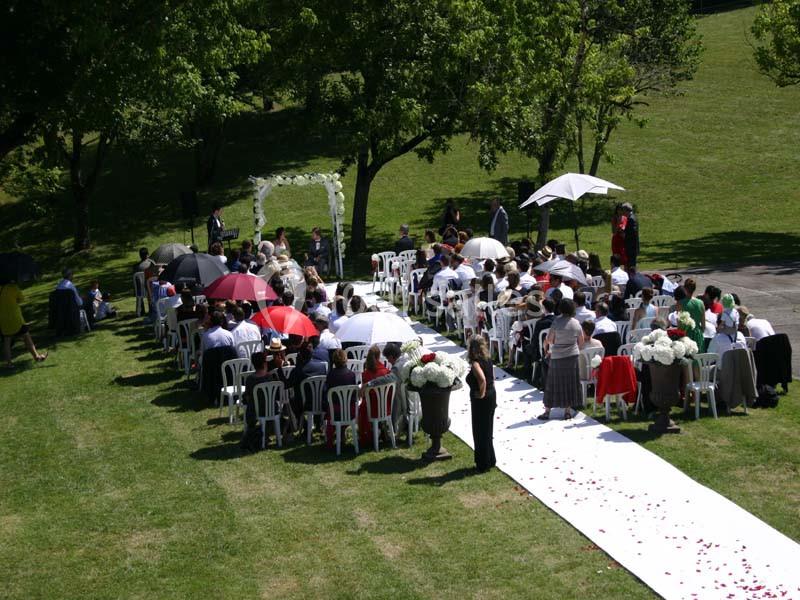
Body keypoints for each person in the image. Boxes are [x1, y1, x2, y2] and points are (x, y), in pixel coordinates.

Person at [539, 298, 584, 420]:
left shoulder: (556, 322)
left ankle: (547, 411)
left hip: (558, 355)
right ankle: (567, 411)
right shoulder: (576, 323)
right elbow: (581, 341)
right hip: (572, 355)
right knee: (569, 383)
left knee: (553, 383)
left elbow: (549, 339)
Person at [466, 336, 496, 472]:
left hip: (482, 399)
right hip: (491, 395)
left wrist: (481, 394)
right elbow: (491, 378)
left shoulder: (476, 363)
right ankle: (490, 459)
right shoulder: (488, 360)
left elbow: (482, 380)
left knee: (479, 431)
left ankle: (483, 463)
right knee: (488, 430)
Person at [1, 282, 47, 367]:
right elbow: (21, 299)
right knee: (26, 336)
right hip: (16, 317)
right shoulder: (14, 287)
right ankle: (36, 356)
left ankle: (9, 363)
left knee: (7, 340)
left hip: (2, 318)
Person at [358, 345, 391, 445]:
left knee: (362, 406)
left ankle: (368, 435)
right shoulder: (386, 372)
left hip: (370, 409)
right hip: (386, 408)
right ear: (379, 356)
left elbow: (363, 394)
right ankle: (383, 429)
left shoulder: (365, 374)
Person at [240, 351, 272, 450]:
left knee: (248, 404)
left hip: (255, 410)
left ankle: (252, 433)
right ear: (264, 363)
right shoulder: (270, 377)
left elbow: (248, 397)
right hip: (271, 409)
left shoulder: (250, 379)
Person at [678, 279, 705, 351]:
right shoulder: (701, 303)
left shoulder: (680, 303)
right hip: (698, 334)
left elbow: (679, 325)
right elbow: (703, 325)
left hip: (686, 335)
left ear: (685, 288)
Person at [621, 202, 639, 268]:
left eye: (623, 211)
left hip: (631, 247)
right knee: (630, 265)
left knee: (631, 265)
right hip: (631, 246)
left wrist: (624, 234)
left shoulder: (631, 219)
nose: (623, 213)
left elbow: (633, 233)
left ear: (626, 210)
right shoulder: (633, 217)